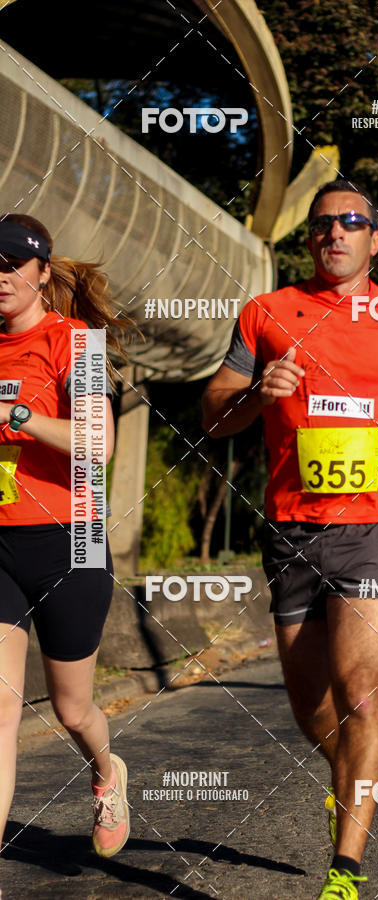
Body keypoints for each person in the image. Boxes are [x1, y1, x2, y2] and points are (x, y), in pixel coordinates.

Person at [202, 179, 378, 900]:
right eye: (322, 224)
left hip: (375, 526)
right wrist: (255, 394)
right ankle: (348, 779)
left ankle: (345, 867)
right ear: (309, 239)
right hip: (291, 529)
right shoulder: (269, 313)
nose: (335, 232)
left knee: (362, 693)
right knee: (310, 703)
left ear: (376, 239)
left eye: (352, 222)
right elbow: (215, 414)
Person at [0, 215, 131, 859]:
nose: (1, 274)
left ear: (42, 272)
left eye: (13, 262)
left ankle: (107, 772)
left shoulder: (74, 343)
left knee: (72, 709)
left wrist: (16, 415)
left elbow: (97, 443)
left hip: (70, 541)